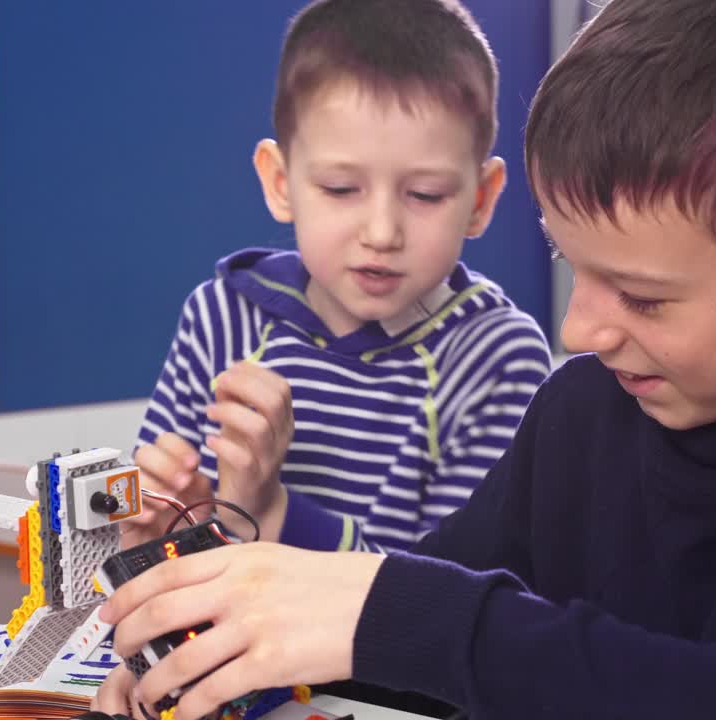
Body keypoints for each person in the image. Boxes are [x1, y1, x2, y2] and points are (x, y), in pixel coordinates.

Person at [93, 0, 716, 718]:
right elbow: (402, 642)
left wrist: (409, 617)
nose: (581, 330)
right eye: (570, 267)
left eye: (644, 296)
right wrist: (222, 657)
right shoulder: (585, 414)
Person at [121, 0, 551, 555]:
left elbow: (452, 607)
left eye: (425, 195)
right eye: (342, 189)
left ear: (481, 198)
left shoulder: (495, 357)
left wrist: (270, 511)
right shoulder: (220, 319)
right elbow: (154, 551)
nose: (381, 232)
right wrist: (166, 528)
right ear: (280, 182)